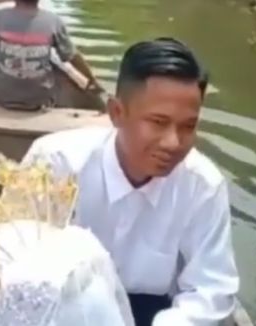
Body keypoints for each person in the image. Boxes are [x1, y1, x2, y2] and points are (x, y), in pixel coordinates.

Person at [21, 37, 239, 326]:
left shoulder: (203, 186)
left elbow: (211, 290)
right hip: (60, 307)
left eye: (188, 126)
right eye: (158, 122)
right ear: (116, 113)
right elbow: (19, 262)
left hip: (155, 315)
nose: (173, 143)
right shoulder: (56, 163)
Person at [0, 0, 101, 111]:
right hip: (38, 99)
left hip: (0, 95)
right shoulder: (53, 21)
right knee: (50, 70)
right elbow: (71, 56)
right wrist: (91, 79)